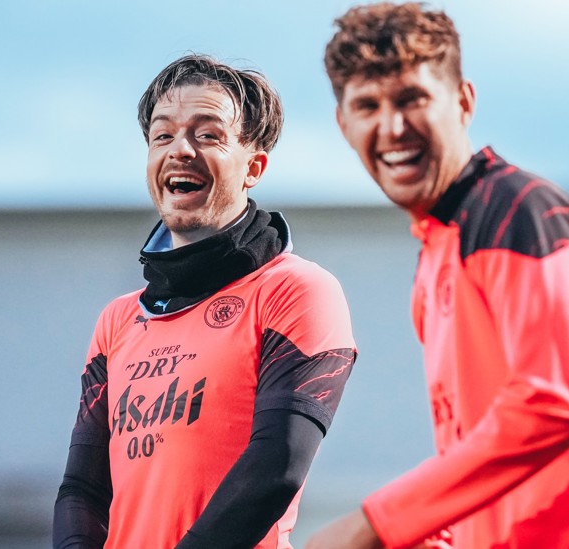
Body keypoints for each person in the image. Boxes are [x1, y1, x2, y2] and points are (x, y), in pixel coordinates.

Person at [307, 3, 569, 548]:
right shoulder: (436, 255)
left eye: (412, 99)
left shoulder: (519, 210)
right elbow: (476, 454)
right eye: (368, 105)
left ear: (464, 102)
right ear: (344, 123)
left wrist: (374, 525)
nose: (392, 127)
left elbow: (555, 401)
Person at [53, 53, 357, 549]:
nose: (180, 150)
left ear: (253, 167)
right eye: (163, 135)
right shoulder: (117, 320)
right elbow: (81, 489)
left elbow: (275, 470)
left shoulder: (296, 290)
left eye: (208, 134)